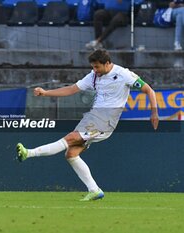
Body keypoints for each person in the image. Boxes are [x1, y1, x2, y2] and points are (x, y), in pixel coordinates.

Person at [16, 50, 159, 201]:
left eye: (97, 67)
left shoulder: (124, 74)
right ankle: (95, 190)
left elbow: (149, 90)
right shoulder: (93, 76)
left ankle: (29, 153)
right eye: (93, 67)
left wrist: (154, 112)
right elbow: (72, 89)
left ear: (107, 63)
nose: (95, 70)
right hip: (94, 117)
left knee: (70, 138)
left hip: (106, 120)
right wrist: (46, 93)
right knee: (71, 154)